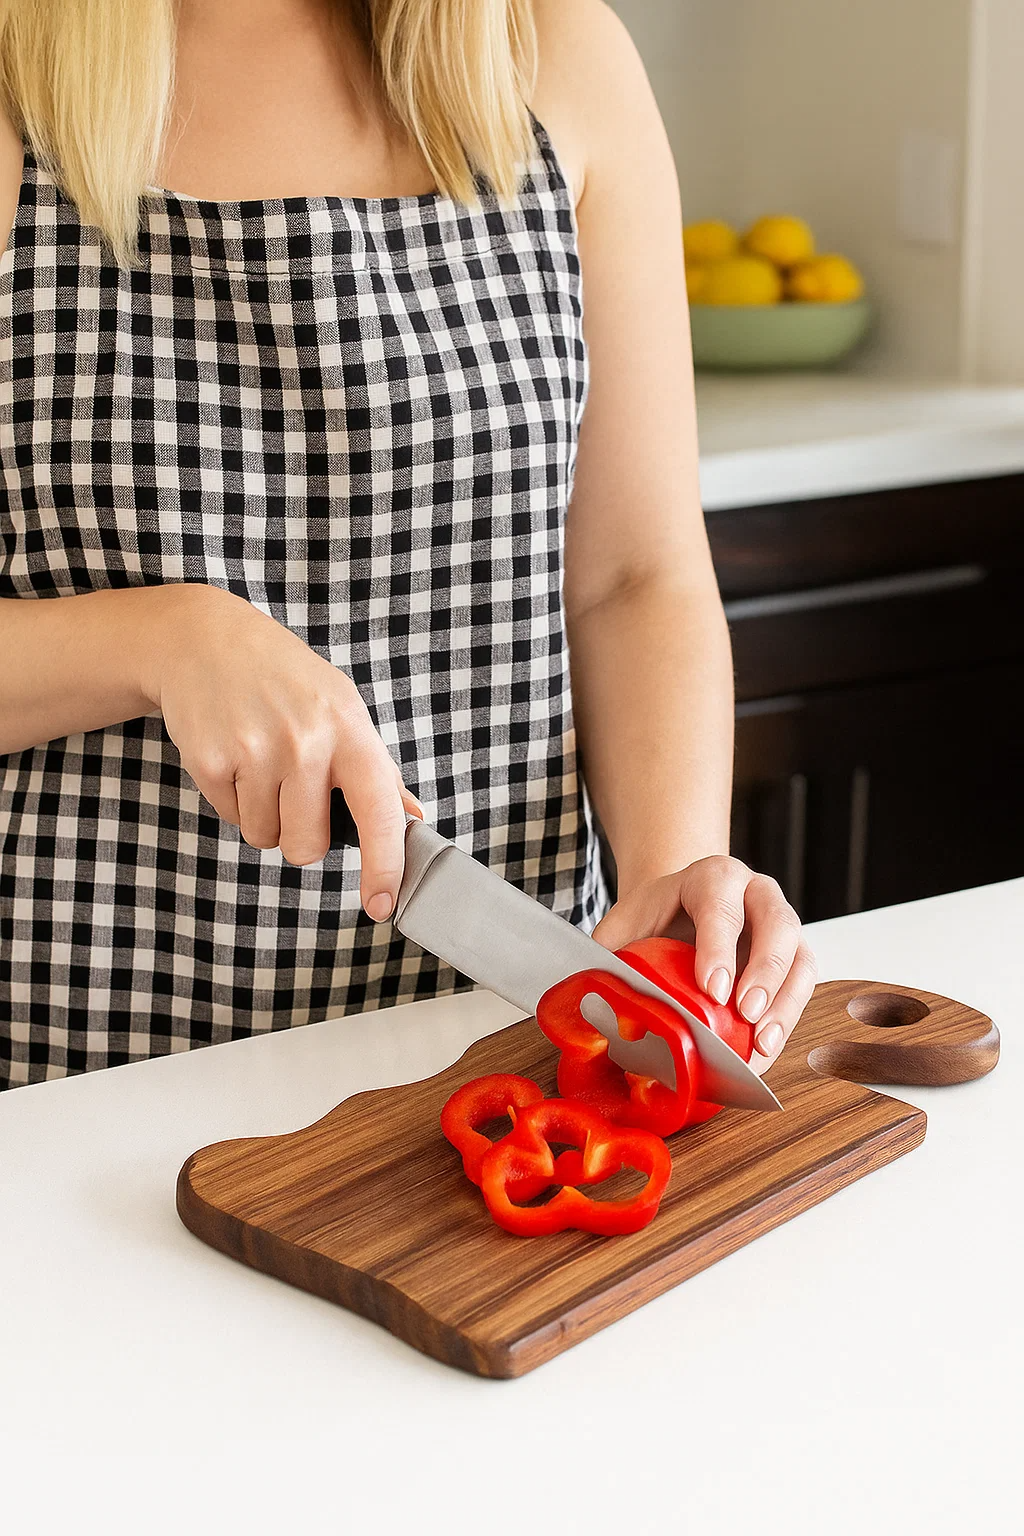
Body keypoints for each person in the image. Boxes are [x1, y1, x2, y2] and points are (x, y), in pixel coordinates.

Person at [0, 0, 816, 1091]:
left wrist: (672, 875)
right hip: (99, 1068)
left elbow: (634, 578)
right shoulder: (19, 77)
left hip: (517, 1053)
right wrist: (159, 639)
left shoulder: (556, 52)